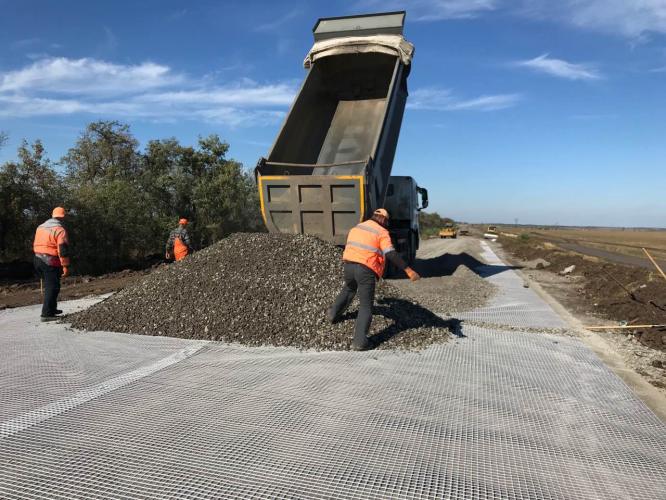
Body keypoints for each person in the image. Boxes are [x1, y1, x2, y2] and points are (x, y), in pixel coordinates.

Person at [327, 208, 421, 350]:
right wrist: (408, 270)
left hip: (348, 266)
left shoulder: (357, 227)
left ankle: (332, 315)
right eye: (386, 221)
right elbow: (390, 253)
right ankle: (359, 342)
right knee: (366, 306)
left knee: (349, 288)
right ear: (383, 219)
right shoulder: (381, 232)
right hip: (365, 270)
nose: (386, 224)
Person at [33, 207, 71, 322]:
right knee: (52, 287)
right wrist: (65, 266)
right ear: (63, 217)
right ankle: (46, 314)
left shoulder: (41, 227)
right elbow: (63, 250)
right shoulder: (60, 230)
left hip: (37, 259)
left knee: (53, 285)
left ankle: (52, 309)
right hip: (49, 261)